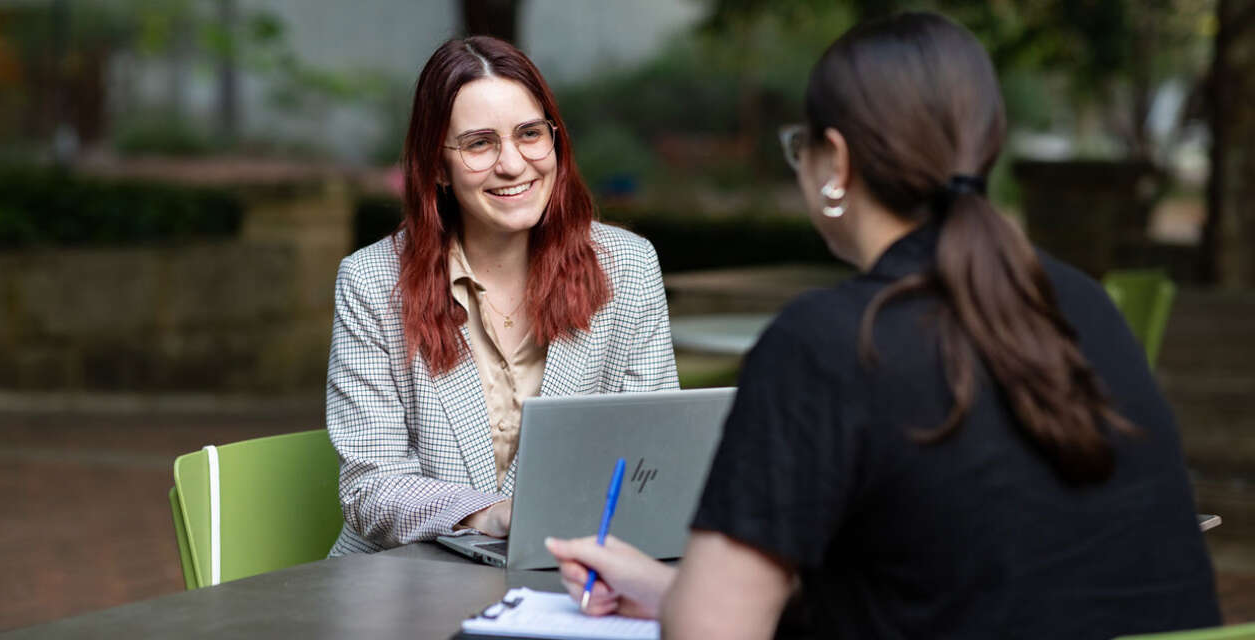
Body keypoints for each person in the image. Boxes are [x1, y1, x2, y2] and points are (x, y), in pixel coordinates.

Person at [547, 12, 1220, 638]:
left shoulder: (825, 342)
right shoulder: (1081, 305)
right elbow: (963, 587)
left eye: (798, 148)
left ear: (835, 162)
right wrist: (670, 588)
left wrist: (691, 603)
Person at [325, 36, 678, 556]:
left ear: (554, 140)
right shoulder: (372, 283)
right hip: (408, 583)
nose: (513, 164)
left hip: (572, 571)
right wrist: (488, 514)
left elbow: (660, 453)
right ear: (438, 167)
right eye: (479, 143)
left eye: (530, 134)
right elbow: (370, 487)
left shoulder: (627, 267)